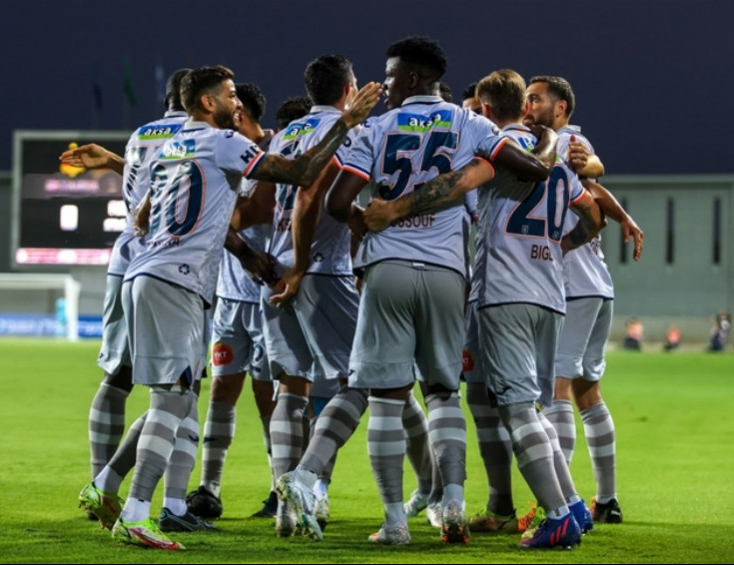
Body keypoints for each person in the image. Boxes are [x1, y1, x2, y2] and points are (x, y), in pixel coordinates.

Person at [67, 64, 381, 550]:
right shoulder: (226, 143)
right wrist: (346, 122)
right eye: (231, 95)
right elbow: (299, 174)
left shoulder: (173, 145)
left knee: (175, 397)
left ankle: (106, 484)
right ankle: (135, 512)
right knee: (173, 398)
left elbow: (144, 211)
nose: (237, 102)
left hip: (144, 272)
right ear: (208, 103)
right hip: (179, 282)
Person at [325, 38, 559, 547]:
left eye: (389, 76)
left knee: (385, 398)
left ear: (411, 78)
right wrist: (548, 143)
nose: (383, 85)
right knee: (443, 392)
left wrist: (364, 224)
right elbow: (532, 171)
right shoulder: (468, 122)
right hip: (449, 271)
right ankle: (453, 500)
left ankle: (393, 522)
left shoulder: (377, 128)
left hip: (387, 267)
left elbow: (337, 200)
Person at [361, 68, 607, 549]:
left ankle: (556, 515)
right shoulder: (556, 151)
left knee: (516, 409)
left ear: (488, 110)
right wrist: (558, 246)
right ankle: (574, 501)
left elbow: (458, 184)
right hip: (551, 294)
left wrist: (395, 209)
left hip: (504, 293)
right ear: (524, 105)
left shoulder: (492, 147)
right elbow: (593, 214)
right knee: (537, 406)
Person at [258, 54, 432, 542]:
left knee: (292, 390)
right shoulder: (347, 129)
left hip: (272, 272)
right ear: (350, 89)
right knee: (368, 379)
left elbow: (257, 199)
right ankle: (313, 486)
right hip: (316, 271)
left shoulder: (287, 133)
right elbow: (310, 197)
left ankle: (286, 510)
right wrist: (300, 263)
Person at [64, 68, 191, 525]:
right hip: (171, 266)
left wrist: (116, 161)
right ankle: (169, 501)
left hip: (125, 260)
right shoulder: (200, 135)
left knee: (117, 376)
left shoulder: (142, 135)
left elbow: (146, 179)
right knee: (180, 388)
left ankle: (100, 483)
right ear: (197, 99)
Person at [526, 75, 643, 526]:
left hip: (571, 286)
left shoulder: (562, 140)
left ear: (560, 109)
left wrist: (593, 165)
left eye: (536, 99)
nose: (528, 105)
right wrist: (626, 216)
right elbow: (592, 181)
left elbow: (591, 165)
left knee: (556, 390)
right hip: (598, 286)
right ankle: (606, 499)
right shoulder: (565, 146)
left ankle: (563, 505)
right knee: (587, 393)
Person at [185, 82, 280, 521]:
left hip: (270, 294)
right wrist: (238, 243)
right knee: (222, 388)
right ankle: (209, 487)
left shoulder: (272, 150)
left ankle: (281, 486)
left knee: (268, 395)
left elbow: (255, 211)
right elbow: (216, 215)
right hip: (230, 295)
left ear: (239, 116)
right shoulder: (220, 151)